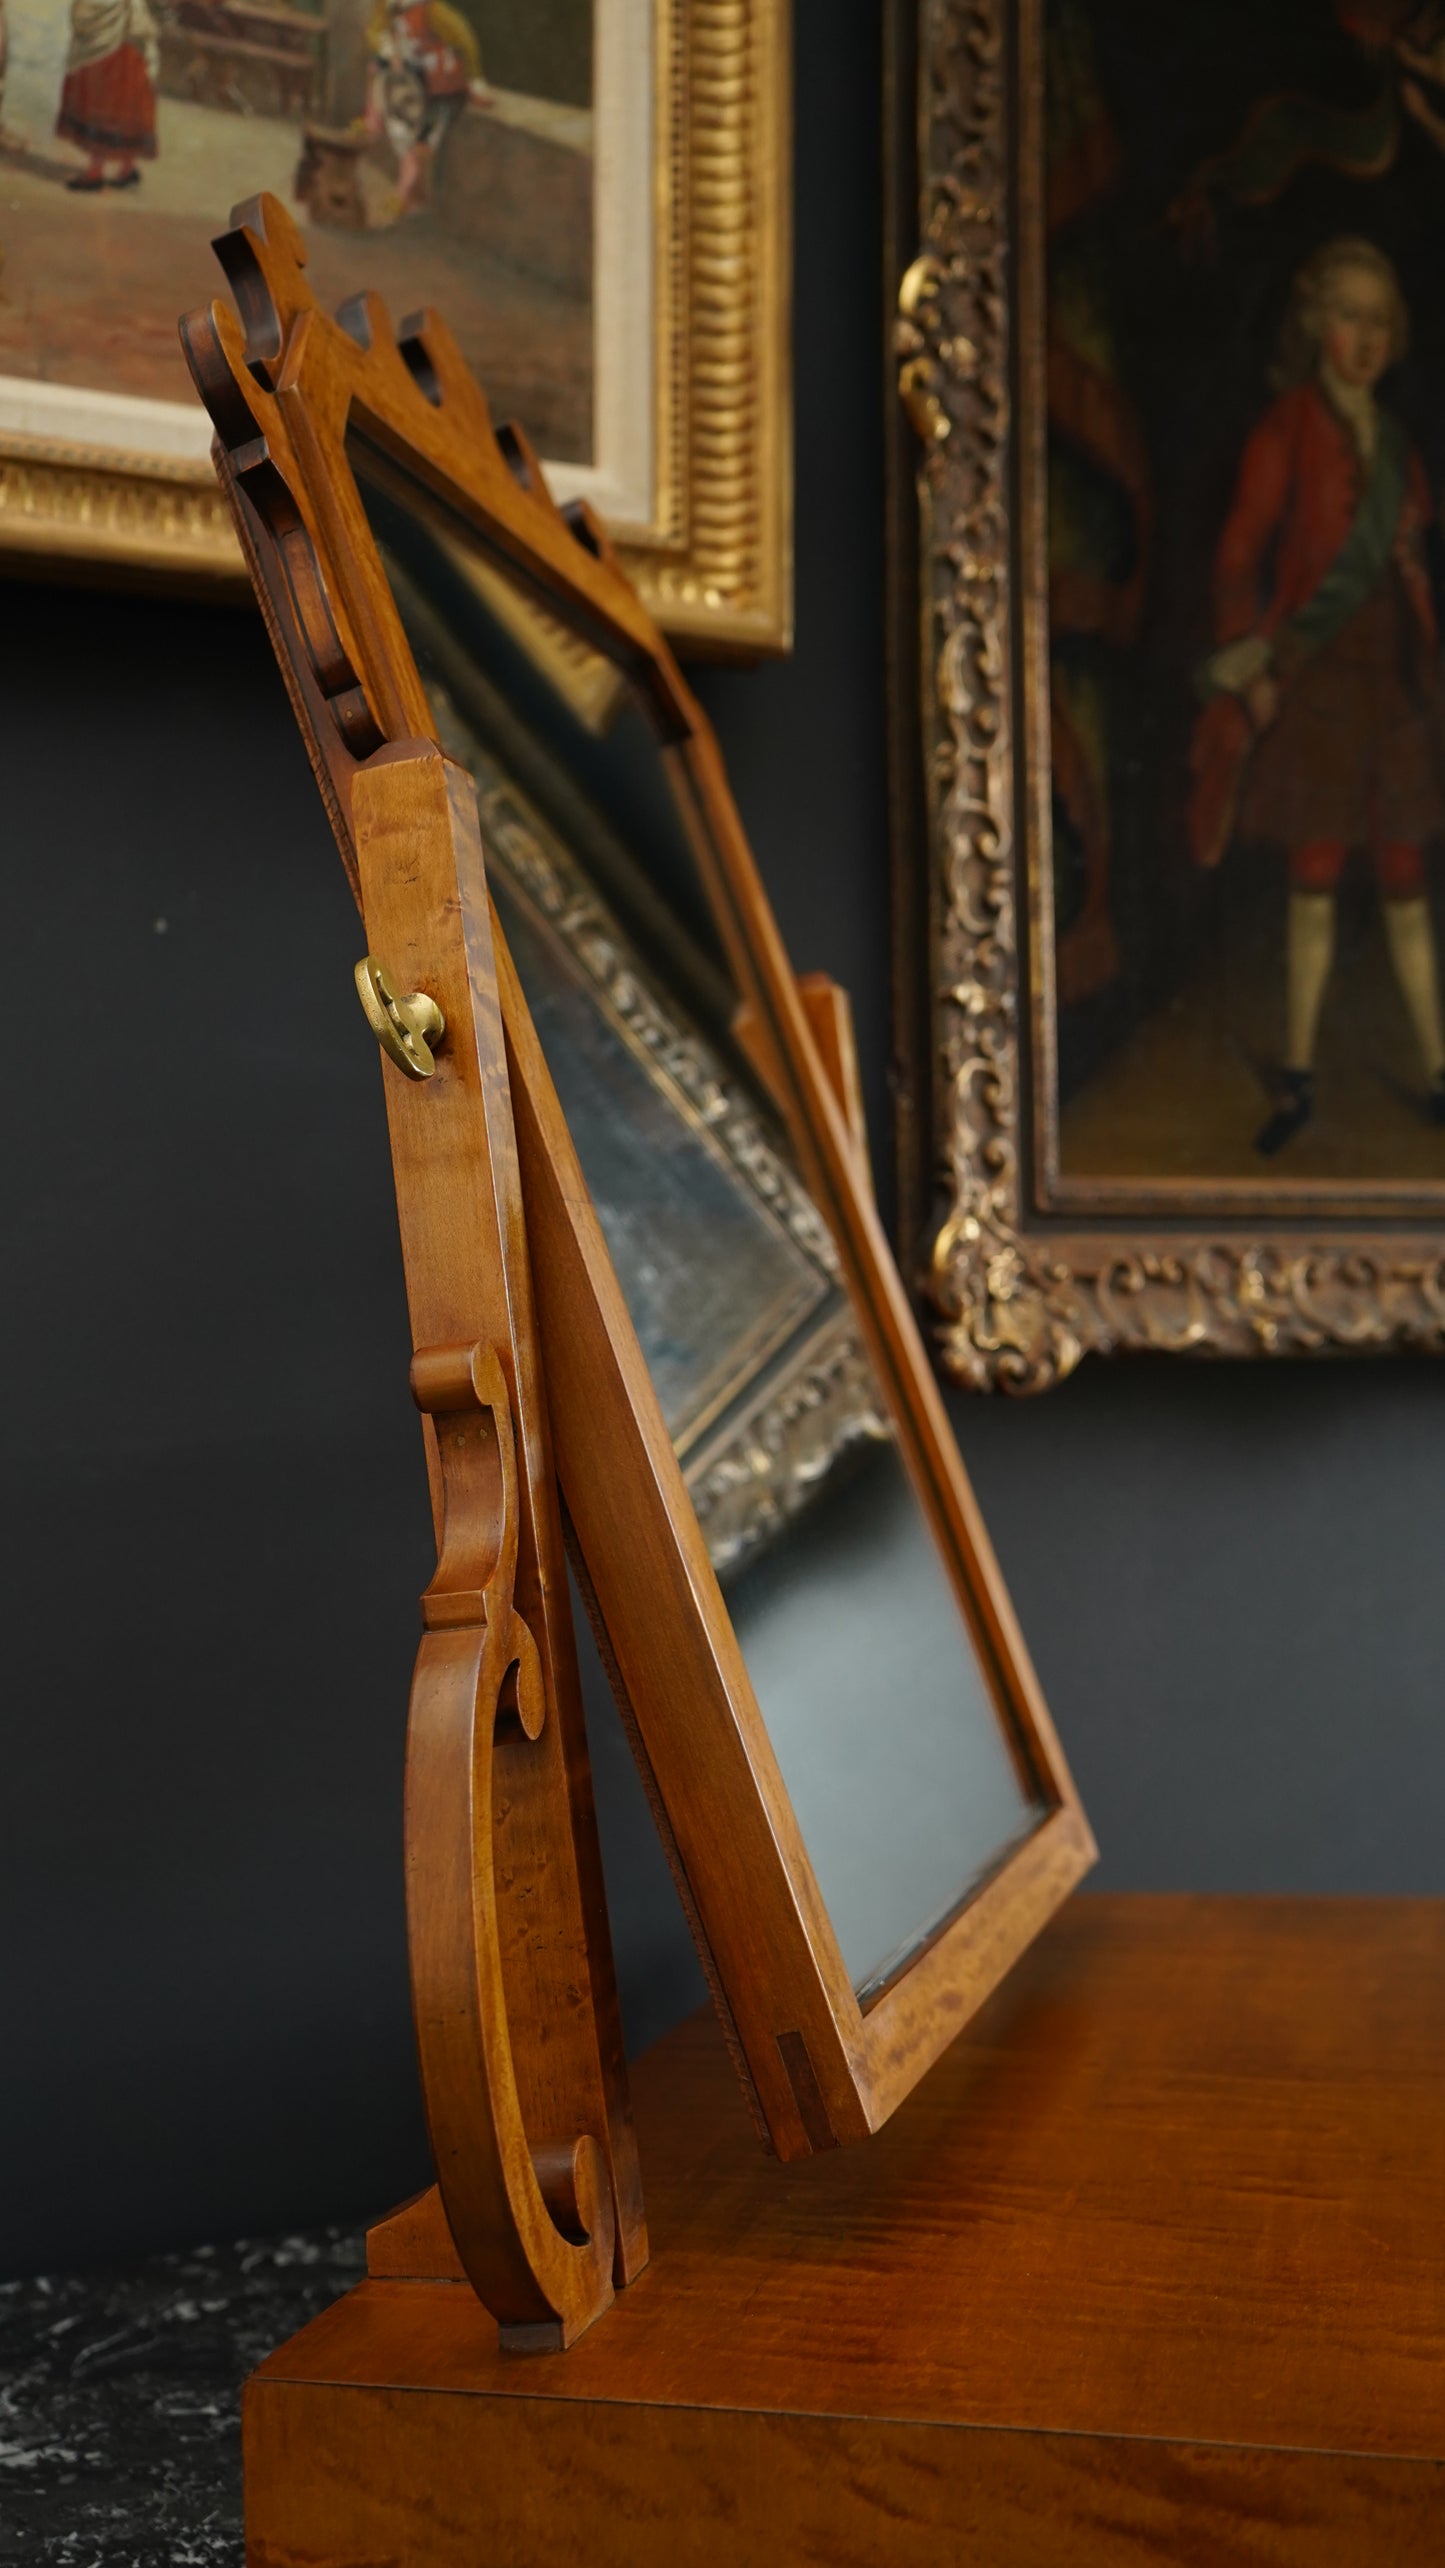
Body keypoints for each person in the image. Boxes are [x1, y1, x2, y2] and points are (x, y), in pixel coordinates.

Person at [1189, 237, 1445, 1154]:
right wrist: (1248, 660)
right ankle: (1296, 1079)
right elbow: (1236, 558)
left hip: (1395, 688)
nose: (1364, 338)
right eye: (1348, 317)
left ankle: (1438, 1073)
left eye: (1379, 321)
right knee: (1317, 876)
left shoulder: (1401, 448)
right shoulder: (1283, 431)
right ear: (1313, 325)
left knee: (1407, 879)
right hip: (1322, 685)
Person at [365, 0, 490, 216]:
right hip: (412, 83)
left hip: (441, 87)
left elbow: (465, 41)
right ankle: (412, 194)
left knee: (422, 141)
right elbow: (375, 31)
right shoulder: (388, 7)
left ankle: (405, 196)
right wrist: (389, 51)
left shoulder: (435, 12)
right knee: (403, 130)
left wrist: (476, 80)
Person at [56, 0, 159, 190]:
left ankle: (96, 171)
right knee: (124, 93)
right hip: (126, 24)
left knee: (106, 92)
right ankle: (127, 168)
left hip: (118, 23)